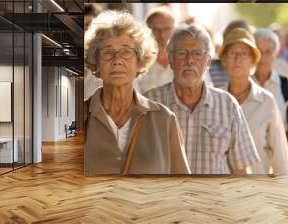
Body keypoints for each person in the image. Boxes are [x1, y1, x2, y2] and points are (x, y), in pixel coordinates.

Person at [84, 10, 190, 175]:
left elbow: (184, 187)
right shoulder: (78, 119)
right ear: (96, 61)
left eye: (126, 52)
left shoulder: (164, 120)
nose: (117, 60)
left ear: (139, 61)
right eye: (108, 52)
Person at [145, 24, 260, 174]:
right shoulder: (150, 104)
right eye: (181, 53)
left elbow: (241, 170)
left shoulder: (227, 105)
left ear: (208, 61)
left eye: (197, 53)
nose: (190, 60)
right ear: (170, 60)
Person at [219, 28, 288, 175]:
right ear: (224, 61)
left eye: (244, 53)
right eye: (232, 53)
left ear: (253, 61)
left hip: (257, 189)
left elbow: (280, 156)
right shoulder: (215, 100)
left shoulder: (266, 101)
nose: (238, 59)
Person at [253, 28, 288, 173]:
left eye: (268, 52)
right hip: (251, 163)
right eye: (258, 51)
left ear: (275, 55)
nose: (262, 58)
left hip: (280, 160)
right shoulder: (241, 85)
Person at [136, 6, 213, 94]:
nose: (162, 35)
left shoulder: (192, 63)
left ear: (176, 30)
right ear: (147, 32)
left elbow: (207, 94)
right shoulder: (139, 65)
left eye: (167, 29)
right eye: (156, 29)